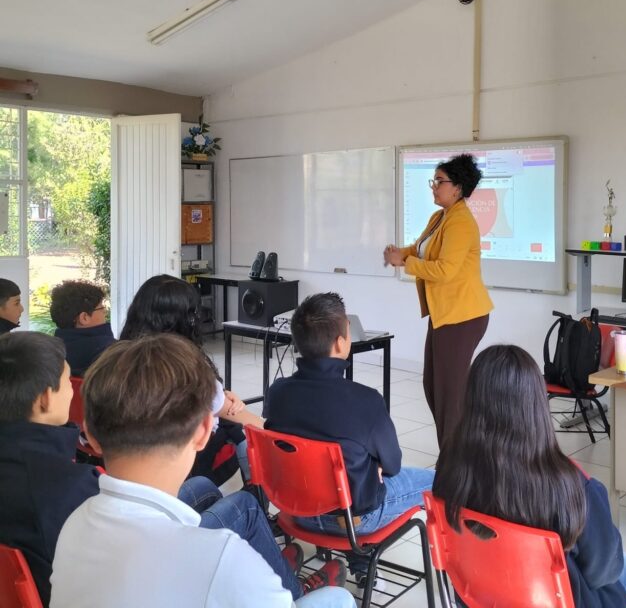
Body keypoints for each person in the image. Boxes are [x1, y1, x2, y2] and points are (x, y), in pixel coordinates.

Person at [50, 334, 354, 608]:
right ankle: (288, 584)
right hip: (228, 574)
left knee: (203, 487)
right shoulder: (221, 557)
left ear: (89, 435)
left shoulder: (73, 522)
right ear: (204, 431)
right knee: (338, 599)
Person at [433, 344, 626, 608]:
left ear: (472, 399)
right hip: (553, 600)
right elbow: (604, 572)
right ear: (536, 404)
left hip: (482, 597)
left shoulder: (450, 464)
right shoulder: (572, 486)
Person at [264, 292, 434, 588]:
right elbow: (393, 465)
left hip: (295, 513)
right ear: (342, 342)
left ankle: (361, 561)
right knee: (436, 479)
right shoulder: (365, 402)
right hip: (353, 522)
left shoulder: (277, 393)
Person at [383, 153, 493, 447]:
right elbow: (419, 249)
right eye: (434, 181)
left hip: (463, 316)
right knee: (434, 386)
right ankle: (456, 454)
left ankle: (454, 462)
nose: (434, 187)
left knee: (448, 393)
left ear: (457, 188)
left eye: (439, 181)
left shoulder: (461, 222)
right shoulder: (440, 217)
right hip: (445, 313)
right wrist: (400, 255)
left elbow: (444, 270)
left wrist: (405, 264)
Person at [120, 274, 261, 484]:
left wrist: (221, 397)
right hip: (182, 459)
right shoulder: (186, 367)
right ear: (183, 319)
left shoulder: (119, 355)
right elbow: (226, 410)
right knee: (239, 432)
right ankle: (256, 499)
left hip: (133, 453)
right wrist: (269, 429)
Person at [0, 332, 99, 606]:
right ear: (45, 398)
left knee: (199, 489)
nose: (71, 390)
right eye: (67, 382)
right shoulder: (69, 486)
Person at [49, 280, 115, 376]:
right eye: (101, 308)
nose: (105, 312)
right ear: (84, 318)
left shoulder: (49, 352)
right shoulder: (112, 352)